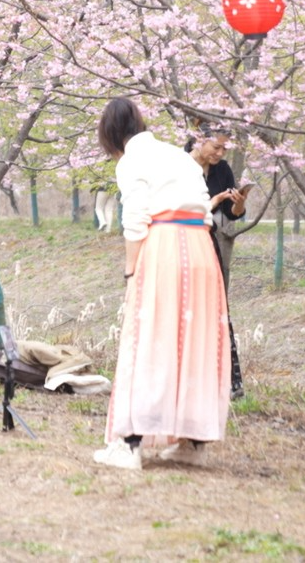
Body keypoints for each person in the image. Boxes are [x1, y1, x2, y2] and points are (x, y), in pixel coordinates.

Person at [94, 98, 230, 470]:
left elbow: (135, 218)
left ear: (109, 134)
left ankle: (130, 444)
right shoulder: (177, 155)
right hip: (201, 250)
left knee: (149, 338)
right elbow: (204, 210)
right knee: (196, 341)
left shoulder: (132, 161)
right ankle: (193, 442)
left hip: (164, 246)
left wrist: (130, 268)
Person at [185, 125, 248, 400]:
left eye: (225, 149)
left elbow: (231, 215)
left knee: (217, 305)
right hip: (182, 238)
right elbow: (180, 210)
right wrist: (210, 203)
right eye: (216, 147)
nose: (220, 154)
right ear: (199, 140)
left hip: (208, 241)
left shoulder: (222, 170)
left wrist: (238, 204)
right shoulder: (178, 166)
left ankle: (230, 382)